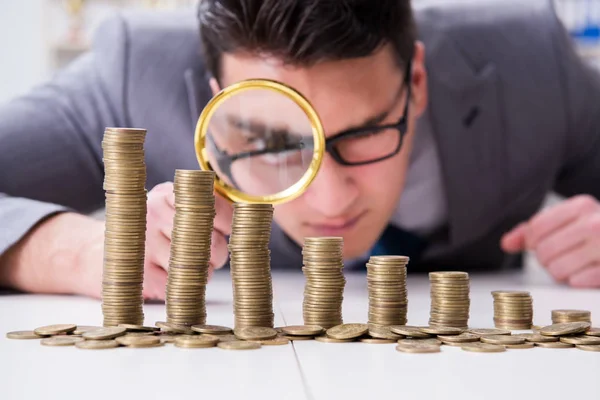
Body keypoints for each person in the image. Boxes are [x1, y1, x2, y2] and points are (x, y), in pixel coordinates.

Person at [1, 0, 600, 301]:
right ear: (216, 98)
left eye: (365, 133)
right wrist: (77, 252)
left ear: (417, 81)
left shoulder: (533, 64)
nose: (330, 197)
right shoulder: (131, 75)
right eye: (271, 139)